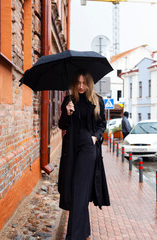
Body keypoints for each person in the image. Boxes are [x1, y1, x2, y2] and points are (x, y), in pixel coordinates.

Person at [58, 69, 110, 240]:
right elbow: (62, 125)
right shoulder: (69, 100)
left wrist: (95, 137)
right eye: (78, 83)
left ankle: (74, 236)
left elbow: (102, 124)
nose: (81, 86)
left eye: (84, 82)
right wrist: (67, 112)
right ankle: (84, 231)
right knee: (76, 191)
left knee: (79, 190)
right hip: (71, 149)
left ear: (89, 83)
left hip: (88, 148)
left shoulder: (98, 101)